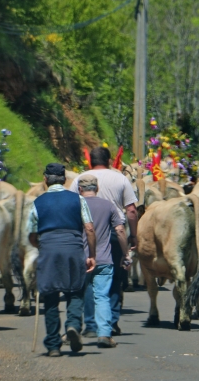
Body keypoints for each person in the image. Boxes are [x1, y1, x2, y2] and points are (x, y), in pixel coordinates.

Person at [27, 163, 96, 357]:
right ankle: (73, 325)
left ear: (45, 179)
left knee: (50, 295)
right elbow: (89, 229)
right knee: (75, 290)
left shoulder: (37, 202)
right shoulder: (78, 199)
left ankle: (53, 345)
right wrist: (91, 255)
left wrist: (41, 246)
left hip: (48, 249)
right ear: (65, 180)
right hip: (73, 248)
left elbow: (32, 234)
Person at [69, 146, 138, 336]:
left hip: (85, 233)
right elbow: (131, 210)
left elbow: (71, 206)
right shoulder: (120, 179)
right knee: (114, 278)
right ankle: (111, 322)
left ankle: (90, 325)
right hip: (114, 234)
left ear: (90, 161)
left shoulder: (79, 179)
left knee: (89, 279)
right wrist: (133, 235)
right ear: (109, 161)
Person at [78, 175, 129, 348]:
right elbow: (120, 230)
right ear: (97, 188)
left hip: (80, 259)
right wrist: (125, 253)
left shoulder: (75, 204)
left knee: (78, 294)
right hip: (104, 259)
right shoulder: (108, 206)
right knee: (102, 296)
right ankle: (104, 334)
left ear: (80, 190)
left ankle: (78, 328)